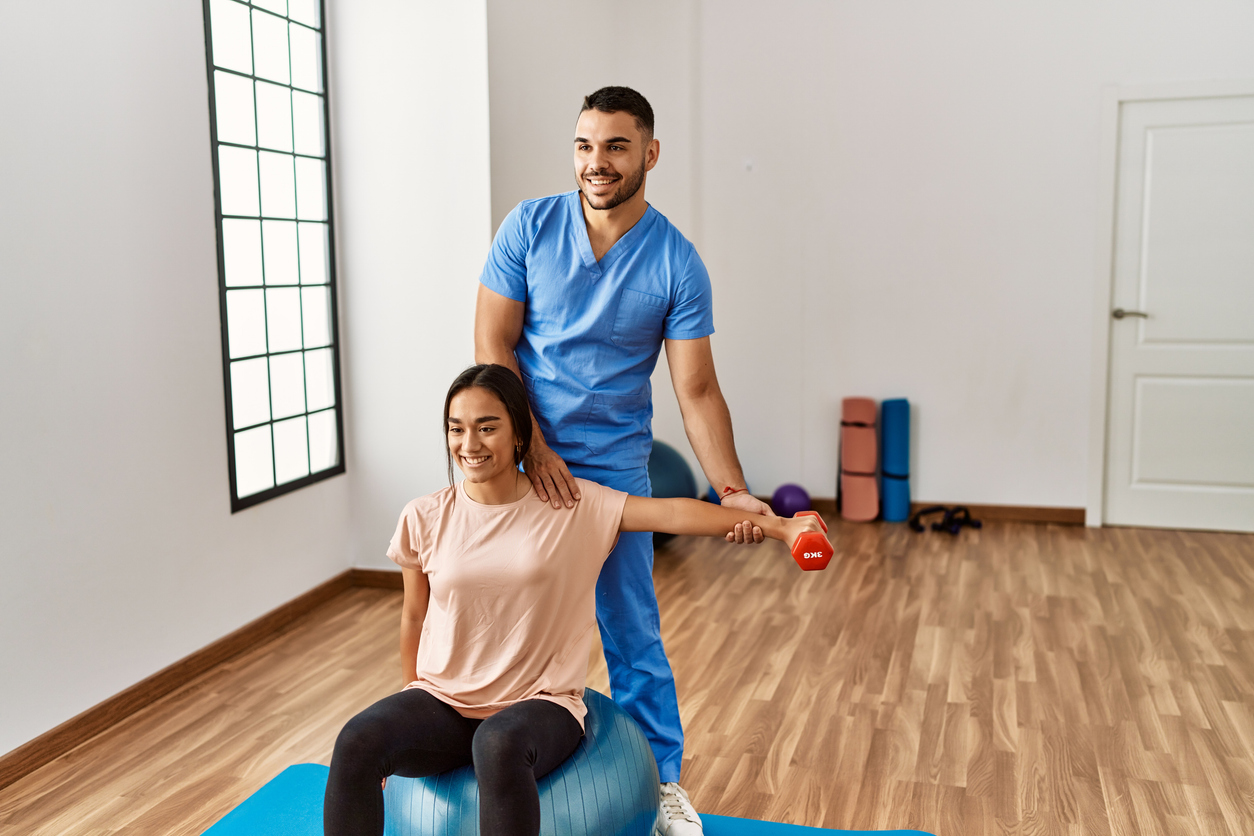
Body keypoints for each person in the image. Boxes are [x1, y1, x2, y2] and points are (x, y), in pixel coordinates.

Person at [322, 365, 826, 836]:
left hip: (541, 704)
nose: (468, 443)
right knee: (358, 740)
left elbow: (672, 513)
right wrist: (411, 699)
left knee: (496, 745)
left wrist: (778, 527)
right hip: (446, 701)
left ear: (520, 433)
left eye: (486, 427)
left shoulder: (570, 506)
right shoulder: (425, 515)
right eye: (456, 428)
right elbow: (414, 616)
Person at [474, 85, 768, 835]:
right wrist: (529, 444)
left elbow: (696, 390)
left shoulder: (676, 262)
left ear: (650, 154)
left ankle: (665, 785)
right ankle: (489, 764)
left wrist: (730, 488)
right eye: (583, 145)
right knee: (502, 620)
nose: (595, 163)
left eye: (614, 147)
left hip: (615, 466)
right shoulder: (529, 227)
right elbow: (491, 345)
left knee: (632, 630)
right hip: (519, 457)